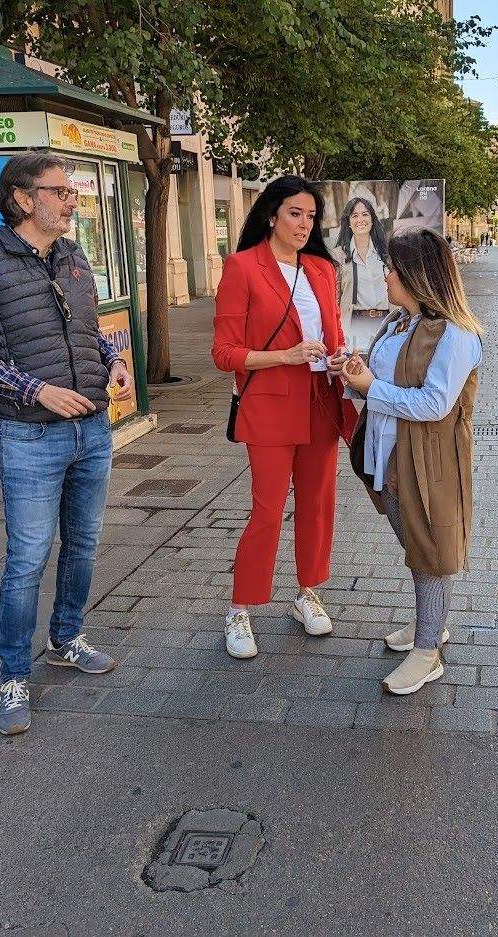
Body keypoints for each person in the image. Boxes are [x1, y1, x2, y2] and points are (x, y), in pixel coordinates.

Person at [0, 151, 135, 736]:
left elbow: (85, 329)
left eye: (71, 192)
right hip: (30, 433)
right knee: (28, 557)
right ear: (23, 198)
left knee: (82, 545)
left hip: (91, 427)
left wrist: (112, 361)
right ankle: (12, 677)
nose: (71, 201)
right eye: (59, 192)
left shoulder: (74, 255)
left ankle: (67, 637)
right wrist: (37, 391)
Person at [212, 175, 358, 661]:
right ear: (271, 214)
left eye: (311, 216)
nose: (303, 223)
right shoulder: (242, 267)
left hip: (321, 399)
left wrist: (340, 358)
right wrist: (286, 356)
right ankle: (240, 609)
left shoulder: (321, 268)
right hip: (271, 403)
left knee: (318, 503)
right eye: (295, 213)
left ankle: (308, 591)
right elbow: (224, 353)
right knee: (268, 508)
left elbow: (333, 333)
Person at [330, 228, 482, 695]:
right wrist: (356, 371)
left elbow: (434, 403)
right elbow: (382, 376)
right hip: (389, 456)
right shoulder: (399, 322)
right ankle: (430, 624)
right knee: (417, 547)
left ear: (418, 275)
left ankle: (427, 652)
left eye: (394, 268)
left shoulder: (456, 335)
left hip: (427, 464)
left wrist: (369, 387)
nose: (387, 274)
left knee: (429, 553)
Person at [330, 194, 392, 351]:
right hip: (353, 326)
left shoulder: (386, 253)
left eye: (365, 214)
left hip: (386, 324)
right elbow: (334, 298)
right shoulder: (338, 256)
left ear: (372, 219)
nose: (360, 220)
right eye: (355, 216)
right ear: (349, 222)